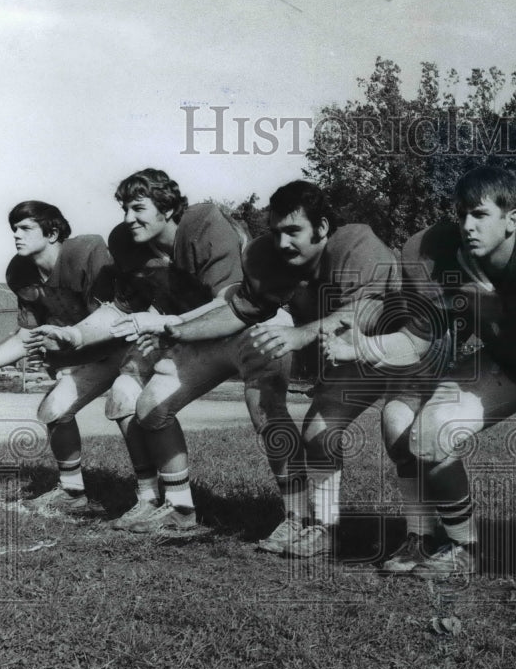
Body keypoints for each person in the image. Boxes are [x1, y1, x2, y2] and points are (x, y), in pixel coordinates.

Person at [324, 166, 516, 601]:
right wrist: (363, 347)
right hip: (505, 364)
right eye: (460, 214)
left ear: (512, 220)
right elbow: (419, 340)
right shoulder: (434, 254)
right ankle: (462, 546)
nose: (466, 225)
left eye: (478, 214)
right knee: (430, 433)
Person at [35, 169, 299, 535]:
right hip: (191, 334)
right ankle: (178, 509)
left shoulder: (205, 223)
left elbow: (231, 301)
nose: (128, 219)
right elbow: (123, 308)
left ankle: (302, 517)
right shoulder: (127, 245)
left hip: (250, 327)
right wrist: (74, 336)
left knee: (266, 411)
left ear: (168, 207)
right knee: (146, 405)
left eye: (138, 208)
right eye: (125, 209)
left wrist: (165, 323)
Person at [164, 180, 411, 558]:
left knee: (407, 437)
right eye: (277, 232)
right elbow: (237, 310)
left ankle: (430, 534)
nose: (282, 243)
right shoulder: (269, 257)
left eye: (294, 231)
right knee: (317, 430)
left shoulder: (354, 244)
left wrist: (300, 334)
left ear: (323, 227)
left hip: (403, 347)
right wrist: (179, 329)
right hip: (350, 354)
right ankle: (322, 527)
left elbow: (365, 310)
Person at [0, 200, 141, 513]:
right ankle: (72, 492)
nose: (16, 234)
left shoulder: (87, 251)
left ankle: (151, 495)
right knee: (54, 409)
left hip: (129, 342)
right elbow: (25, 337)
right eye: (14, 228)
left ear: (53, 232)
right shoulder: (20, 272)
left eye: (25, 227)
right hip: (88, 352)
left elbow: (120, 312)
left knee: (125, 405)